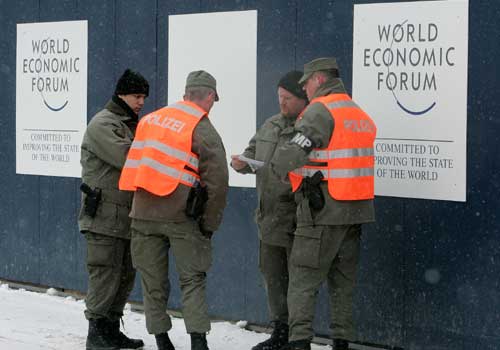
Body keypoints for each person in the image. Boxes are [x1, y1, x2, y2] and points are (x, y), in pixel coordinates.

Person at [269, 58, 377, 350]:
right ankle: (341, 343)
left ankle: (299, 343)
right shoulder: (357, 113)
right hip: (354, 212)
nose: (304, 88)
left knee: (303, 282)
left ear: (318, 79)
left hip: (321, 211)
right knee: (343, 286)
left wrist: (276, 164)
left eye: (306, 82)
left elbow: (296, 152)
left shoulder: (320, 110)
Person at [119, 70, 229, 350]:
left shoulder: (150, 119)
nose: (212, 106)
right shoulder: (201, 127)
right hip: (181, 216)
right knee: (192, 280)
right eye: (213, 100)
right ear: (207, 96)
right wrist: (209, 224)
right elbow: (217, 182)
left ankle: (161, 340)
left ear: (185, 94)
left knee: (152, 281)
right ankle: (198, 342)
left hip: (143, 213)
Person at [231, 71, 308, 350]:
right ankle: (280, 331)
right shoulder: (270, 124)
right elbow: (252, 152)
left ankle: (299, 338)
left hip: (297, 218)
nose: (282, 103)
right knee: (273, 278)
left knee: (299, 282)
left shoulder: (309, 128)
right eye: (279, 97)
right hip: (268, 217)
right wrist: (241, 163)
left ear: (303, 99)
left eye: (287, 98)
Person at [78, 69, 149, 350]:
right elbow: (129, 157)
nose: (141, 102)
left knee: (125, 275)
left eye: (143, 96)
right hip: (104, 217)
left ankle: (110, 329)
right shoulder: (103, 124)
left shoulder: (131, 123)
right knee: (105, 274)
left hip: (126, 217)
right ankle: (96, 333)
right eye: (136, 96)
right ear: (121, 94)